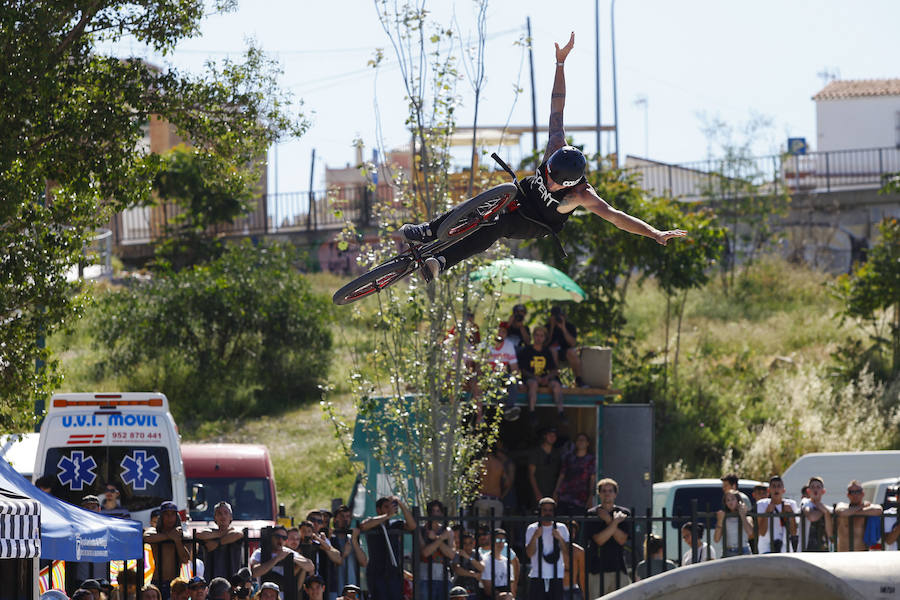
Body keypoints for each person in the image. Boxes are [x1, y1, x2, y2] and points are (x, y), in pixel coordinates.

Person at [396, 32, 686, 280]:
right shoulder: (556, 145)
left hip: (535, 221)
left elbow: (617, 217)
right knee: (484, 203)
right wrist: (560, 63)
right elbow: (557, 106)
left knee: (497, 226)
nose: (547, 177)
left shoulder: (583, 195)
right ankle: (427, 230)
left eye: (554, 181)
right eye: (546, 171)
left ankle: (440, 262)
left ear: (570, 186)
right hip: (517, 195)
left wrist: (655, 233)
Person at [359, 495, 416, 600]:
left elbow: (412, 526)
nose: (389, 509)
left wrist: (401, 504)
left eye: (391, 506)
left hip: (393, 573)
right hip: (376, 572)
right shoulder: (373, 523)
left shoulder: (395, 524)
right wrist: (386, 516)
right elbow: (363, 526)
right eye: (386, 507)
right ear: (378, 509)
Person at [584, 478, 630, 595]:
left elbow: (621, 539)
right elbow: (599, 540)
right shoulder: (592, 513)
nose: (607, 494)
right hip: (597, 569)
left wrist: (609, 521)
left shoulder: (623, 513)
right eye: (604, 491)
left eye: (610, 491)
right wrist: (615, 522)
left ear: (615, 494)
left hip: (618, 567)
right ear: (599, 494)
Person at [525, 498, 569, 600]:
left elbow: (567, 552)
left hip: (556, 575)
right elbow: (529, 553)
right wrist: (535, 536)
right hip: (537, 574)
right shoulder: (532, 528)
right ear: (540, 511)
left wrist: (560, 539)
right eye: (545, 510)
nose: (547, 513)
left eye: (550, 510)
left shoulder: (561, 528)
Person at [144, 502, 190, 597]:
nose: (170, 518)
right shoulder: (154, 532)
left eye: (173, 514)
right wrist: (170, 535)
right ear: (161, 517)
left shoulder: (183, 536)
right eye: (166, 514)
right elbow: (146, 537)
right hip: (158, 580)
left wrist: (177, 540)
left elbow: (185, 559)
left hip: (176, 583)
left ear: (177, 516)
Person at [519, 327, 565, 423]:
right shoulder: (527, 350)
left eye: (541, 336)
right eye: (536, 335)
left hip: (545, 379)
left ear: (545, 338)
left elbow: (554, 370)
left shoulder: (547, 352)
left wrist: (547, 378)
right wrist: (534, 377)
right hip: (531, 379)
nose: (539, 338)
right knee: (533, 384)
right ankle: (532, 412)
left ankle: (561, 412)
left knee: (556, 385)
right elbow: (523, 370)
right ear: (533, 336)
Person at [249, 525, 315, 590]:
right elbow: (254, 573)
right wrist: (277, 558)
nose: (280, 539)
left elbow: (310, 566)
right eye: (277, 536)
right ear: (271, 537)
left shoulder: (288, 552)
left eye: (284, 537)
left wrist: (292, 558)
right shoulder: (260, 552)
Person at [196, 501, 244, 580]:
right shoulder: (210, 532)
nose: (223, 516)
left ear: (231, 517)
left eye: (226, 513)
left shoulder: (235, 531)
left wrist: (217, 543)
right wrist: (221, 534)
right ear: (215, 517)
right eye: (219, 513)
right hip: (212, 578)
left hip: (233, 578)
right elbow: (199, 534)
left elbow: (238, 534)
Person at [418, 499, 455, 600]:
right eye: (433, 511)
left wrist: (436, 538)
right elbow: (425, 552)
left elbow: (451, 554)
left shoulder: (447, 531)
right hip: (425, 576)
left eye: (438, 511)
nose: (435, 514)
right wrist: (441, 539)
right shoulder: (421, 530)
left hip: (443, 577)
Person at [328, 505, 367, 600]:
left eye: (348, 516)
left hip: (353, 588)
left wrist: (354, 540)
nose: (345, 519)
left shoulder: (353, 538)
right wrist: (344, 554)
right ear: (335, 519)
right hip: (335, 587)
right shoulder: (331, 539)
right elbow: (329, 563)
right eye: (342, 516)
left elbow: (364, 562)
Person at [553, 433, 596, 517]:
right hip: (565, 495)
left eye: (583, 440)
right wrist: (555, 492)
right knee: (561, 520)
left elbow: (592, 479)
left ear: (588, 443)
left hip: (581, 497)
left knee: (577, 522)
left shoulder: (591, 459)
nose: (580, 442)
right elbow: (562, 475)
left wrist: (591, 497)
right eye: (578, 440)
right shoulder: (568, 458)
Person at [487, 320, 522, 420]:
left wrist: (518, 380)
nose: (500, 334)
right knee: (495, 383)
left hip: (503, 375)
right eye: (498, 331)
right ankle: (503, 409)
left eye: (503, 332)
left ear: (506, 334)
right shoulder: (486, 345)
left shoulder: (509, 345)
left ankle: (509, 408)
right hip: (489, 376)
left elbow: (514, 366)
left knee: (512, 380)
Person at [835, 479, 882, 551]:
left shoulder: (867, 508)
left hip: (861, 555)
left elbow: (879, 510)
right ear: (848, 495)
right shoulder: (843, 505)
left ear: (863, 493)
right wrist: (861, 507)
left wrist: (853, 512)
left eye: (858, 491)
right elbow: (840, 511)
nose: (855, 494)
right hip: (843, 554)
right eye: (852, 492)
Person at [756, 475, 798, 554]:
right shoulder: (761, 504)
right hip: (766, 548)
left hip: (785, 549)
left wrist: (791, 514)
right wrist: (767, 512)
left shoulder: (791, 504)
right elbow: (762, 532)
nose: (776, 489)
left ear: (783, 490)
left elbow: (794, 532)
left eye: (779, 486)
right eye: (773, 486)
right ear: (769, 490)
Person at [546, 306, 586, 387]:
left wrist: (563, 328)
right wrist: (552, 328)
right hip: (550, 354)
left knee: (571, 352)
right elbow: (545, 344)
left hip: (565, 353)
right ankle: (555, 377)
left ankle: (579, 379)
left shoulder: (570, 327)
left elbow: (572, 343)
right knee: (553, 350)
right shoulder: (547, 327)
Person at [528, 427, 562, 509]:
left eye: (554, 436)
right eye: (550, 435)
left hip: (552, 490)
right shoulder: (536, 453)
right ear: (544, 436)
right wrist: (537, 492)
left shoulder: (557, 453)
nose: (552, 438)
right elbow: (531, 474)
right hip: (539, 488)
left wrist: (556, 492)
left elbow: (560, 474)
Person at [714, 489, 754, 556]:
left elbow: (750, 533)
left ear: (738, 500)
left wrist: (743, 515)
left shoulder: (747, 518)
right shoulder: (725, 517)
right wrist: (720, 521)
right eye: (728, 500)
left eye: (733, 499)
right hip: (729, 551)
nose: (730, 502)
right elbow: (716, 539)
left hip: (744, 550)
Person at [480, 528, 517, 600]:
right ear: (491, 541)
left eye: (503, 540)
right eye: (497, 540)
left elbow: (511, 586)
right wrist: (501, 596)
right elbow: (487, 589)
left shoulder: (507, 562)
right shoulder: (485, 560)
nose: (500, 543)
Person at [475, 445, 508, 520]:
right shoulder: (499, 464)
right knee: (495, 530)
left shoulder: (480, 464)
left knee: (480, 529)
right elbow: (507, 483)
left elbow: (472, 480)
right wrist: (502, 495)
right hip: (495, 499)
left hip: (481, 498)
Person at [801, 476, 833, 552]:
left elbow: (830, 535)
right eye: (812, 487)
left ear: (823, 491)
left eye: (818, 487)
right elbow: (812, 517)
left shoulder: (828, 509)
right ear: (808, 491)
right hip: (807, 549)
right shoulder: (805, 503)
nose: (815, 489)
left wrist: (825, 512)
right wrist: (824, 511)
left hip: (824, 549)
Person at [450, 532, 482, 600]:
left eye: (470, 543)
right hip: (460, 587)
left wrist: (467, 557)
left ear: (474, 543)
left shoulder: (477, 554)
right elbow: (457, 569)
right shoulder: (458, 554)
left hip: (474, 588)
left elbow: (481, 567)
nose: (468, 546)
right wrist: (474, 575)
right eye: (465, 543)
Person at [561, 521, 585, 600]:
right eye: (567, 531)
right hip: (555, 589)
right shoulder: (552, 549)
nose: (570, 534)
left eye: (573, 532)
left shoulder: (579, 551)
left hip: (572, 589)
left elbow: (582, 576)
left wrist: (584, 594)